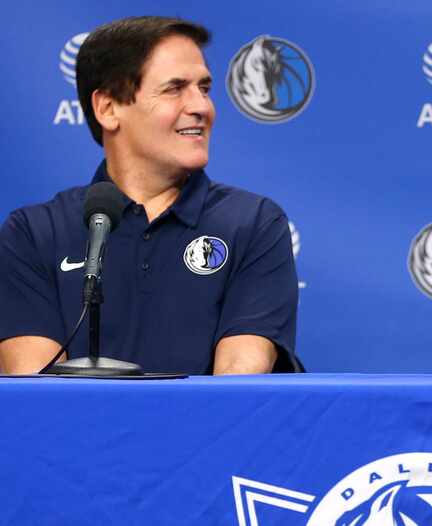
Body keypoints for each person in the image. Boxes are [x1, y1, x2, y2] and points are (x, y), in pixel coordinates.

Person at [0, 16, 300, 375]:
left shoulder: (253, 224)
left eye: (203, 88)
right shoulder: (33, 234)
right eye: (175, 88)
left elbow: (238, 387)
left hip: (203, 432)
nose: (202, 107)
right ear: (108, 109)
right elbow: (38, 394)